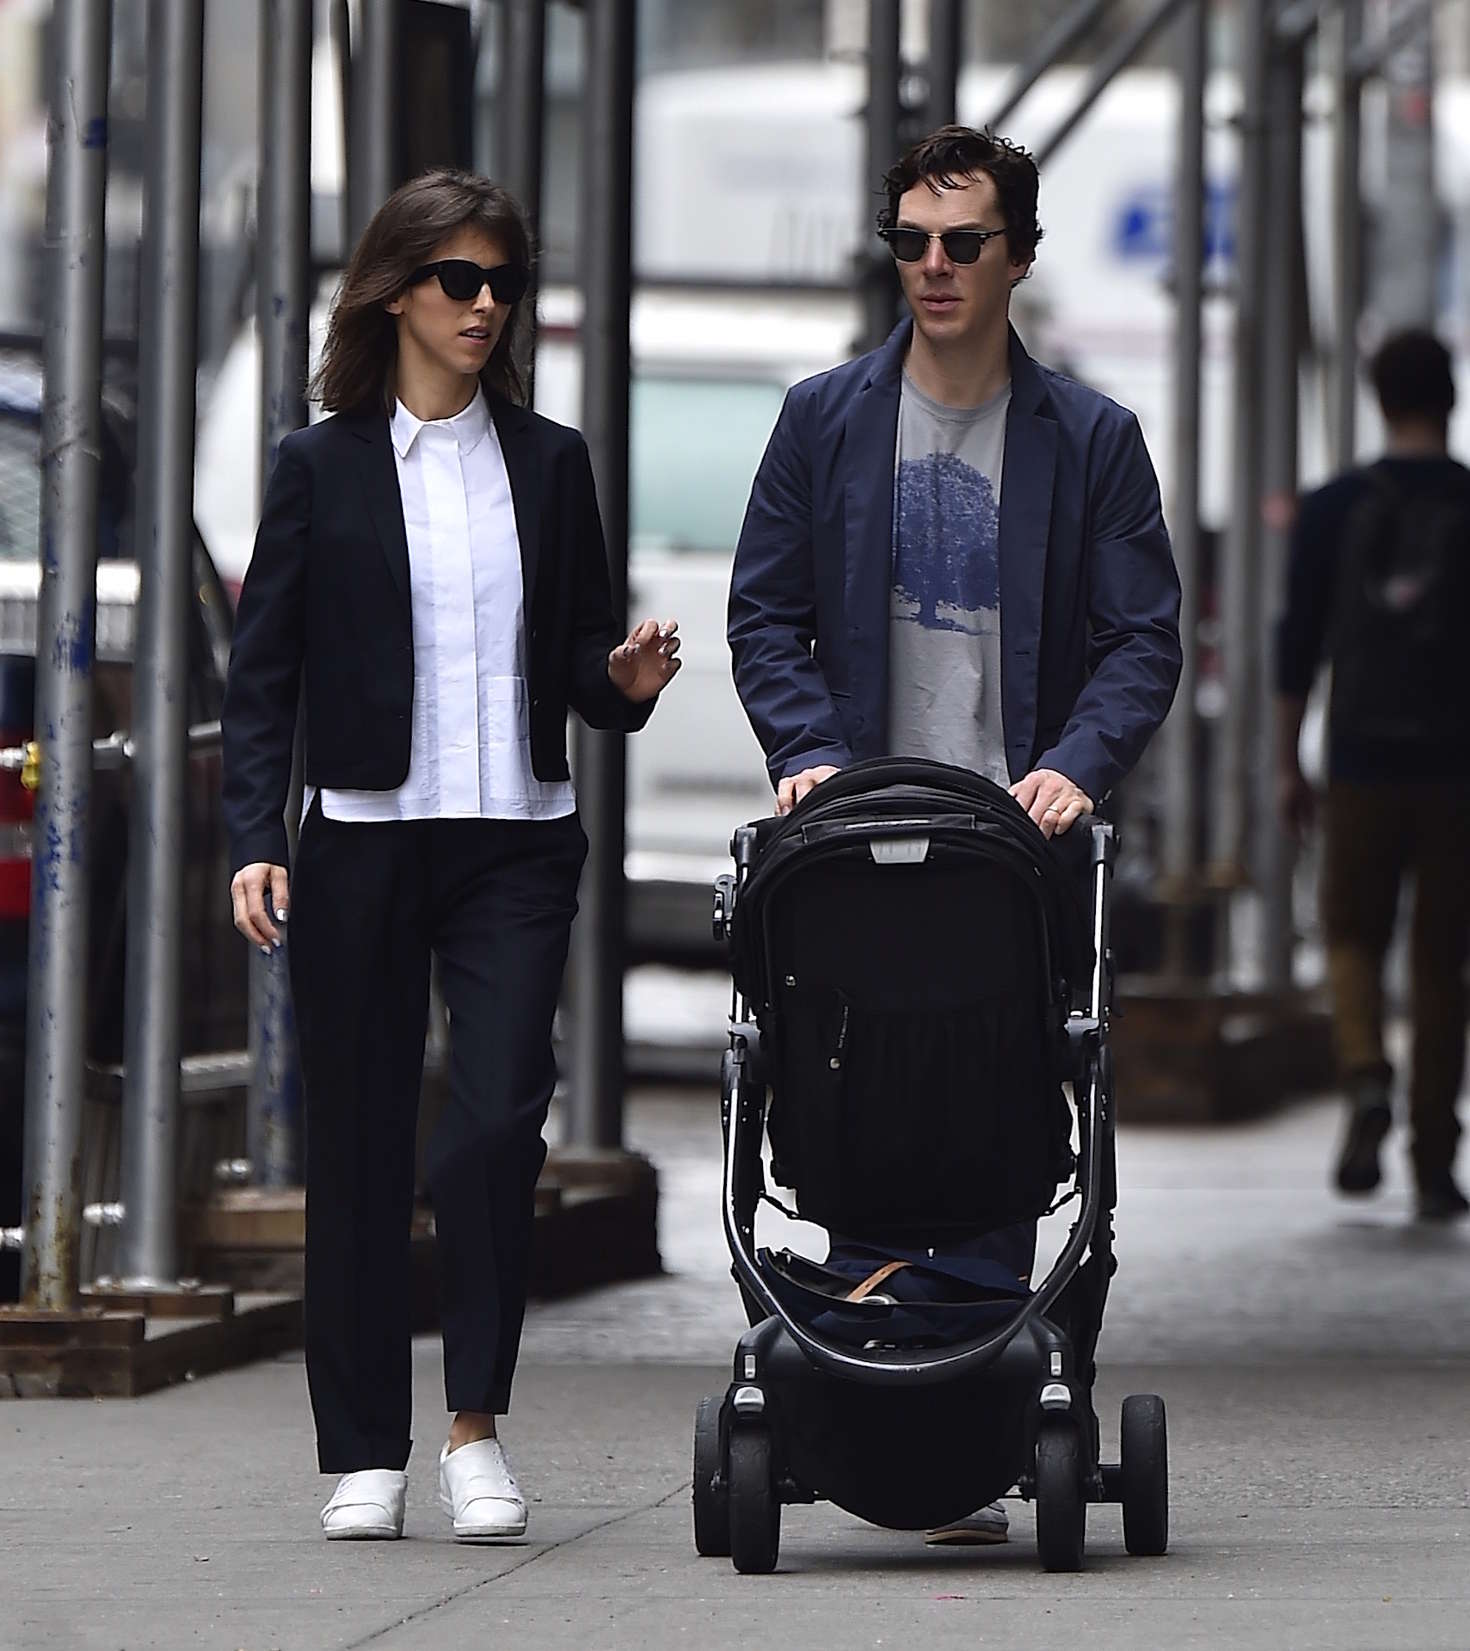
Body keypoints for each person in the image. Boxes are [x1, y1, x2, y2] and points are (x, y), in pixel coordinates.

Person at [727, 126, 1181, 1544]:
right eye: (911, 242)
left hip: (1010, 855)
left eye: (962, 243)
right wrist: (805, 754)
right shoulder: (822, 419)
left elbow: (1140, 635)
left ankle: (985, 1386)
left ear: (1016, 258)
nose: (932, 267)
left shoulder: (1091, 439)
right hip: (854, 847)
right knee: (853, 1089)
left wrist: (1072, 769)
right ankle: (872, 1372)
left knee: (1003, 1093)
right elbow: (764, 611)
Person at [222, 170, 681, 1543]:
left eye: (502, 285)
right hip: (360, 841)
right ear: (394, 293)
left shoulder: (549, 463)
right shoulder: (320, 467)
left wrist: (627, 679)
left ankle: (474, 1422)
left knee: (491, 1126)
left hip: (515, 844)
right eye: (458, 282)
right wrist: (255, 835)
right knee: (358, 1149)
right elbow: (264, 681)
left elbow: (587, 676)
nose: (485, 308)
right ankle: (363, 1448)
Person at [1275, 329, 1470, 1222]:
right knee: (1442, 963)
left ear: (1379, 398)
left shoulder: (1333, 506)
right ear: (1450, 397)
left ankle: (1363, 1076)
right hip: (1456, 771)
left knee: (1349, 932)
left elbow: (1297, 644)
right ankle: (1434, 1158)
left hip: (1357, 759)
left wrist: (1288, 760)